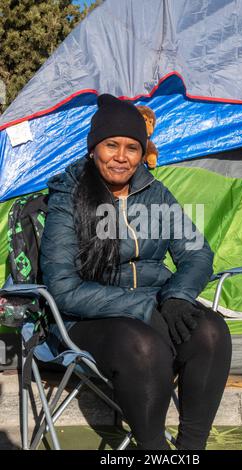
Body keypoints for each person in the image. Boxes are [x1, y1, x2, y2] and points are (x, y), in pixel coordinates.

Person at [40, 94, 232, 451]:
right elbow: (64, 288)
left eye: (132, 147)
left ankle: (192, 449)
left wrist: (176, 297)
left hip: (154, 304)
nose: (121, 157)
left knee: (211, 331)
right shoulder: (69, 196)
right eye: (111, 145)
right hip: (86, 319)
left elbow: (196, 253)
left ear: (143, 152)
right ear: (94, 147)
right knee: (142, 345)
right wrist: (146, 307)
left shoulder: (155, 193)